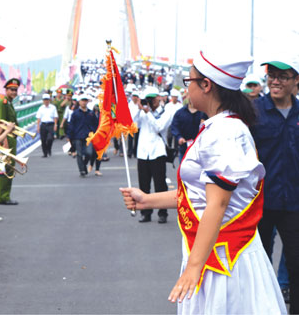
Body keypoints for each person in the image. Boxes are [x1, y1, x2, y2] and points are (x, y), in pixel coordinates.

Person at [120, 49, 286, 314]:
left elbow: (217, 205)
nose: (187, 90)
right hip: (215, 251)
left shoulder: (224, 133)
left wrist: (194, 267)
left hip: (222, 260)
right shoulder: (220, 127)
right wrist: (146, 200)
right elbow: (196, 195)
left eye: (190, 82)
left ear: (206, 85)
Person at [251, 55, 299, 313]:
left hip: (294, 202)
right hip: (260, 201)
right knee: (257, 262)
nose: (275, 81)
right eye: (271, 75)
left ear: (296, 81)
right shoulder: (254, 112)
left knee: (296, 264)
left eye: (282, 76)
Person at [132, 87, 173, 223]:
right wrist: (138, 108)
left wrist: (148, 112)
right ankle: (145, 213)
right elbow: (132, 123)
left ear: (159, 98)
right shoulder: (142, 113)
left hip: (158, 152)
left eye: (152, 98)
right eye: (148, 99)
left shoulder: (166, 112)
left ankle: (163, 213)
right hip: (143, 152)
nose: (151, 101)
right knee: (144, 185)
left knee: (160, 185)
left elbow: (159, 127)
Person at [0, 78, 20, 205]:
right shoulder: (3, 103)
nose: (14, 92)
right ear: (6, 90)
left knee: (11, 167)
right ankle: (3, 196)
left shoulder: (9, 103)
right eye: (11, 90)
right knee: (7, 166)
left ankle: (6, 195)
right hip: (7, 138)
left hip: (12, 138)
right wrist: (4, 141)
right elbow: (1, 123)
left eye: (15, 90)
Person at [67, 93, 100, 177]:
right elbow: (71, 125)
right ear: (79, 102)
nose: (84, 102)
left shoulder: (91, 113)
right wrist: (69, 137)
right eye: (82, 101)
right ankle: (82, 170)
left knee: (89, 153)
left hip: (88, 137)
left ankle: (84, 165)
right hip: (77, 136)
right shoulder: (75, 113)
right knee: (79, 154)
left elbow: (96, 125)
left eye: (85, 101)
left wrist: (96, 134)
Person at [170, 92, 207, 162]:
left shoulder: (204, 113)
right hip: (184, 149)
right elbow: (174, 127)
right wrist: (179, 137)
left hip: (200, 151)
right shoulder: (180, 113)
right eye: (190, 95)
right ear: (187, 96)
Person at [36, 93, 58, 157]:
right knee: (43, 140)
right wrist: (38, 126)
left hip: (50, 124)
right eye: (45, 100)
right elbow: (38, 118)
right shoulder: (41, 108)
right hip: (43, 125)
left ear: (49, 100)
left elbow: (55, 117)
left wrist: (55, 125)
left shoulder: (53, 107)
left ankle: (49, 149)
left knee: (50, 138)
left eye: (47, 100)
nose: (46, 101)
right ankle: (45, 153)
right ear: (43, 101)